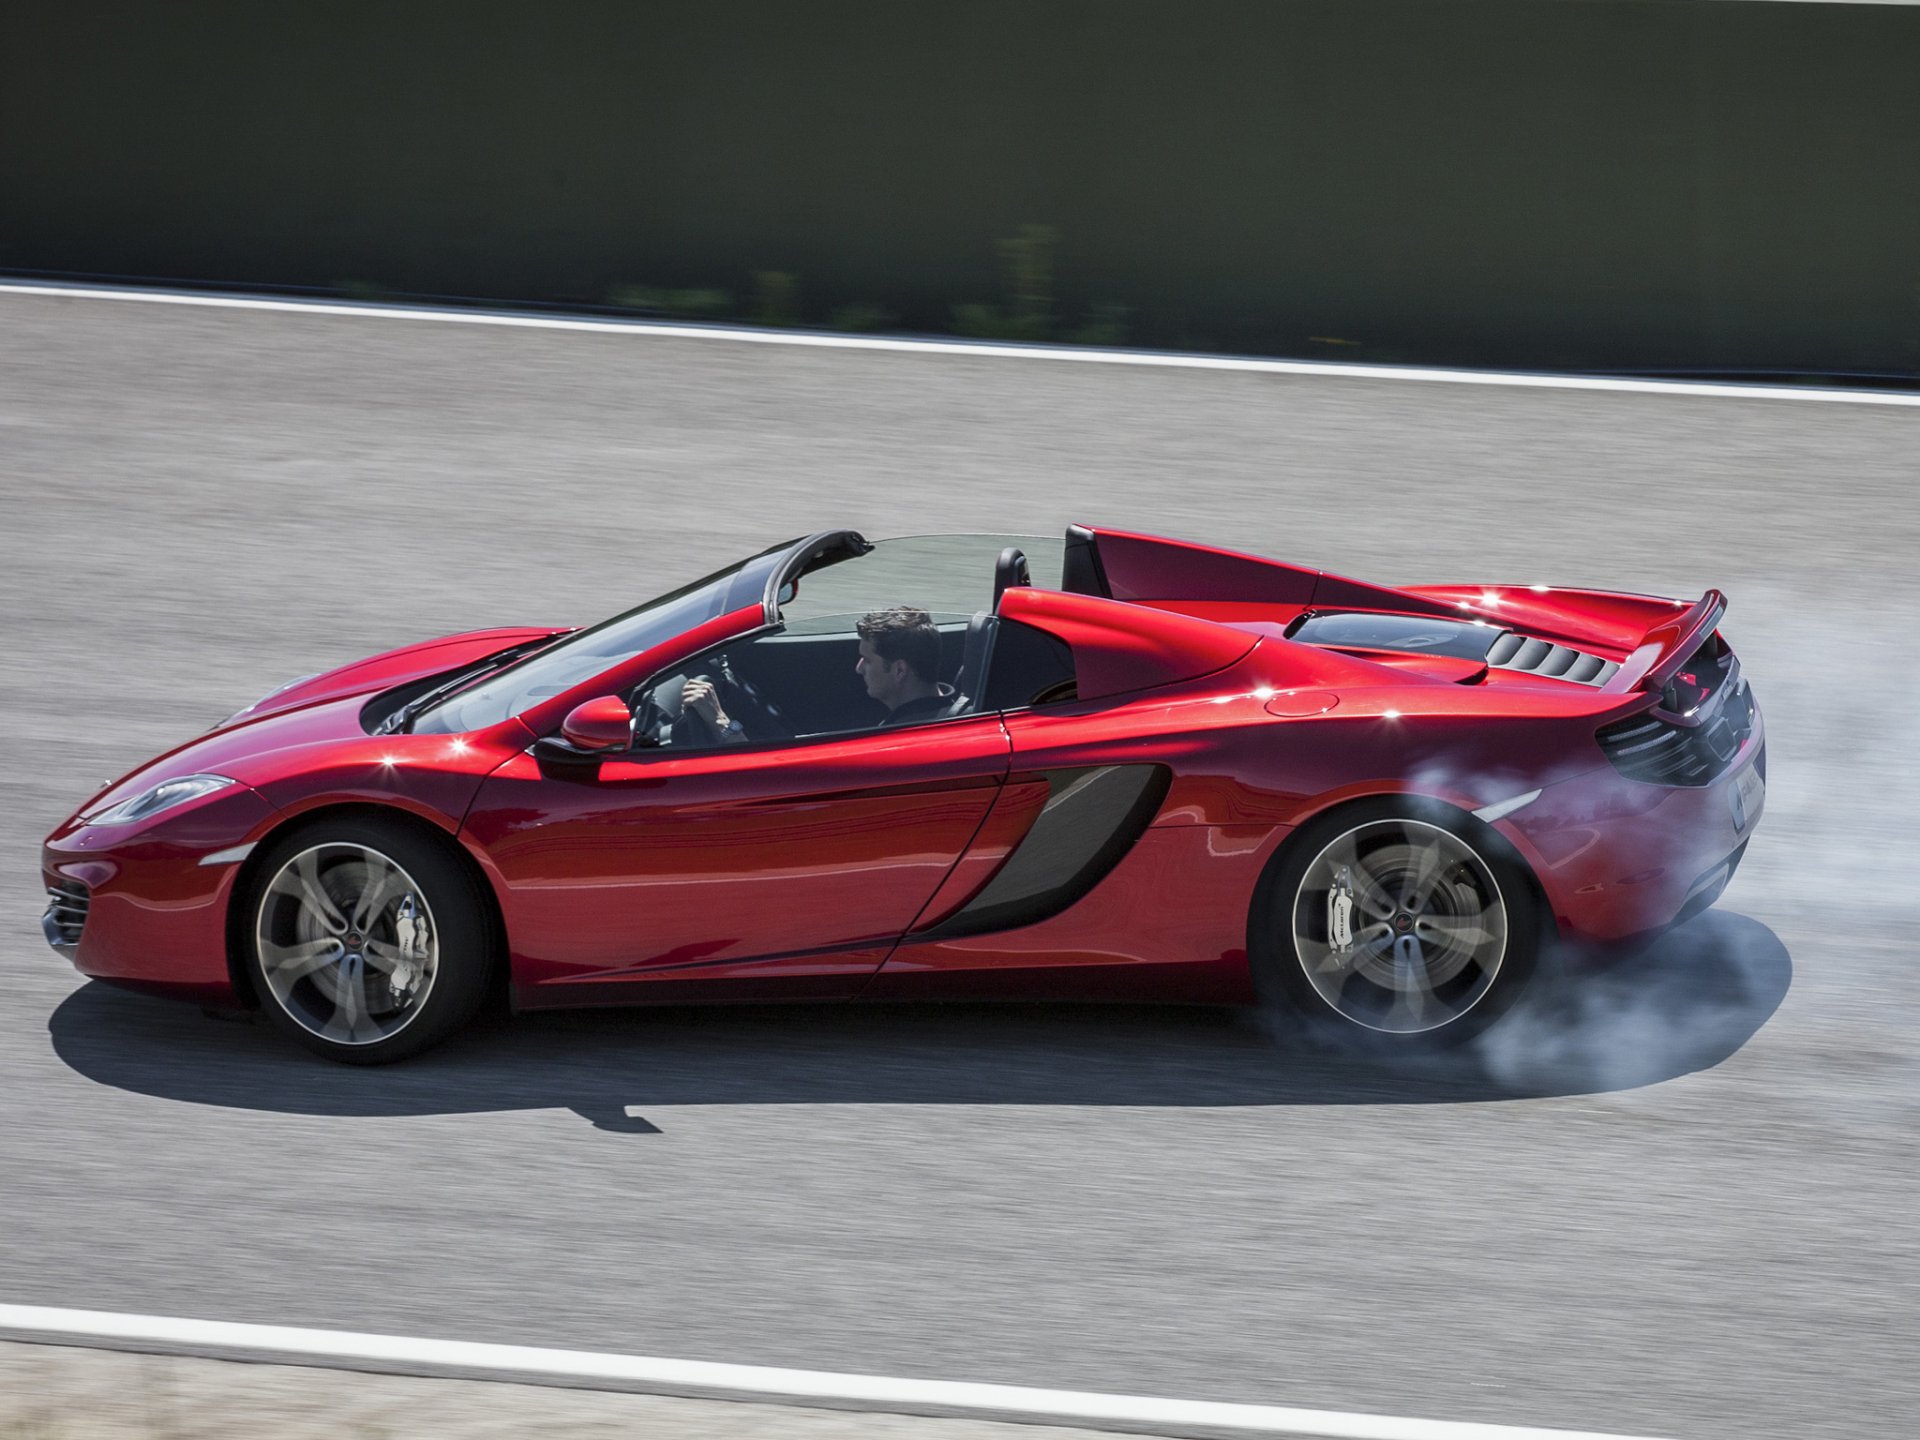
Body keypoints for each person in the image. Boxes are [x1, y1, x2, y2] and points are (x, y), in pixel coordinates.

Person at [856, 606, 961, 726]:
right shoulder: (949, 714)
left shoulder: (900, 735)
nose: (859, 668)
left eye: (867, 660)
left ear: (899, 670)